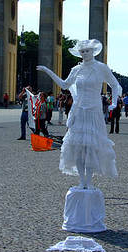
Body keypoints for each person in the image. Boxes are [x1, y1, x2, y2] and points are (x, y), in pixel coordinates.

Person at [37, 39, 122, 190]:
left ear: (93, 52)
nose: (85, 54)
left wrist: (114, 102)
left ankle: (88, 181)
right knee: (77, 147)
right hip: (79, 111)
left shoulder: (101, 68)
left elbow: (115, 85)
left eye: (87, 51)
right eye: (82, 52)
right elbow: (64, 84)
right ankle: (82, 180)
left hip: (94, 111)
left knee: (91, 146)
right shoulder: (76, 69)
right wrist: (48, 71)